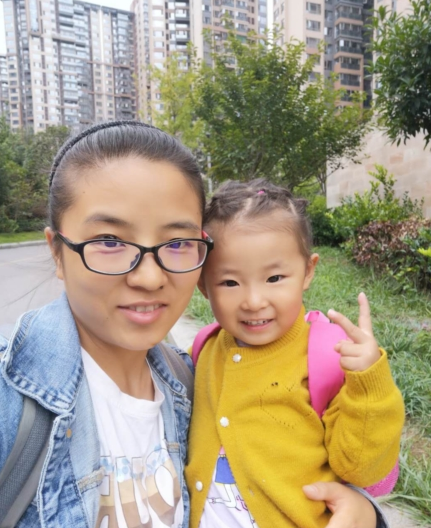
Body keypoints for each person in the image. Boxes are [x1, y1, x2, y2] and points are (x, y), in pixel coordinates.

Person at [0, 121, 390, 528]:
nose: (149, 277)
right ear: (57, 252)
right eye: (110, 242)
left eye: (177, 243)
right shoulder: (11, 402)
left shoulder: (191, 380)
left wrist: (364, 513)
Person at [186, 178, 405, 528]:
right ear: (203, 285)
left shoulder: (330, 357)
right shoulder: (204, 349)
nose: (254, 301)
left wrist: (369, 386)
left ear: (308, 271)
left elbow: (362, 469)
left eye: (274, 278)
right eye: (229, 282)